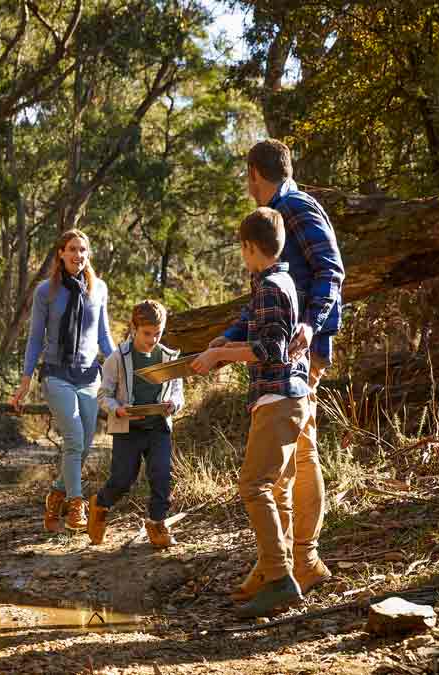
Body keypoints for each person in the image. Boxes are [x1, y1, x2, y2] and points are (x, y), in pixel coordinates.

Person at [210, 139, 345, 600]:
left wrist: (311, 325)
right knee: (295, 457)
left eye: (246, 177)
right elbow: (258, 304)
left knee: (291, 463)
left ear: (254, 173)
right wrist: (228, 338)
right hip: (284, 347)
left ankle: (290, 565)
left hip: (300, 349)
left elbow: (331, 272)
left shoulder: (297, 208)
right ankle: (292, 563)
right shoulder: (269, 218)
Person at [193, 207, 312, 617]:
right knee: (276, 489)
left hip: (278, 400)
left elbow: (270, 351)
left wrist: (220, 356)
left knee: (253, 485)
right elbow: (250, 324)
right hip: (285, 399)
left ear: (249, 247)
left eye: (241, 249)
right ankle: (268, 570)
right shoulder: (276, 280)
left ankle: (281, 578)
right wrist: (220, 344)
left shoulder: (272, 288)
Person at [11, 229, 116, 534]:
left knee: (83, 447)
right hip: (56, 374)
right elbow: (34, 340)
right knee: (73, 439)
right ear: (60, 253)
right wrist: (25, 381)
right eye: (72, 249)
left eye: (83, 250)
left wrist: (119, 368)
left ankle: (56, 494)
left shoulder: (99, 289)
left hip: (88, 376)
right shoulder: (46, 291)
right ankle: (76, 504)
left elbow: (104, 337)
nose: (78, 255)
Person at [88, 300, 185, 548]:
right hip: (127, 429)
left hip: (158, 428)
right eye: (146, 333)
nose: (152, 339)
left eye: (158, 333)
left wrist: (173, 404)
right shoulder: (117, 358)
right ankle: (99, 505)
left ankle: (156, 524)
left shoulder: (169, 357)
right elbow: (103, 395)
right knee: (123, 479)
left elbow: (178, 392)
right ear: (134, 328)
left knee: (162, 475)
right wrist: (118, 410)